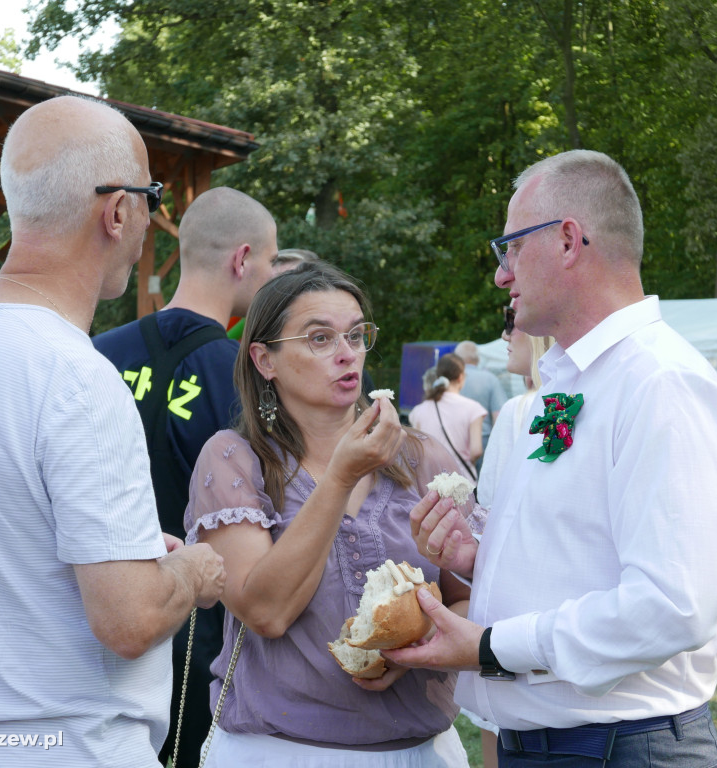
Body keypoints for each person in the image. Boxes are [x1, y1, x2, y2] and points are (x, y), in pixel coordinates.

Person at [387, 150, 717, 768]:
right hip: (565, 746)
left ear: (567, 241)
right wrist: (478, 560)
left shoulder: (660, 384)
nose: (501, 275)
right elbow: (583, 560)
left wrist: (488, 646)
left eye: (509, 248)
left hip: (620, 747)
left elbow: (669, 607)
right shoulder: (574, 385)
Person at [0, 95, 226, 767]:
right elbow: (128, 621)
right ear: (117, 210)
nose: (152, 219)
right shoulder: (75, 375)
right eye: (152, 198)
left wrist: (100, 549)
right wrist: (190, 570)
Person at [183, 260, 474, 766]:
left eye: (357, 336)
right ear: (265, 359)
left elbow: (473, 598)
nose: (347, 355)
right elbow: (265, 611)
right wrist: (339, 478)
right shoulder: (235, 458)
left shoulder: (421, 456)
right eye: (320, 339)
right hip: (280, 753)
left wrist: (417, 643)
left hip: (423, 751)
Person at [92, 186, 278, 765]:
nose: (270, 276)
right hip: (208, 628)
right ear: (242, 259)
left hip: (98, 613)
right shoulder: (248, 378)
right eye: (271, 262)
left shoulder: (97, 354)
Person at [476, 304, 550, 512]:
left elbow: (491, 498)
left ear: (538, 334)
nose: (504, 335)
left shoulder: (517, 408)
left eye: (510, 321)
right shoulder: (580, 399)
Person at [408, 353, 487, 482]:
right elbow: (476, 450)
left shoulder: (418, 411)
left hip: (429, 481)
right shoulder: (474, 408)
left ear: (438, 376)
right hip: (462, 481)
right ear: (461, 377)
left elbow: (416, 451)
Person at [454, 340, 507, 454]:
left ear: (457, 359)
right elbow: (498, 415)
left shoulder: (449, 380)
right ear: (478, 359)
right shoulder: (490, 379)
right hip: (483, 441)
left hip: (454, 440)